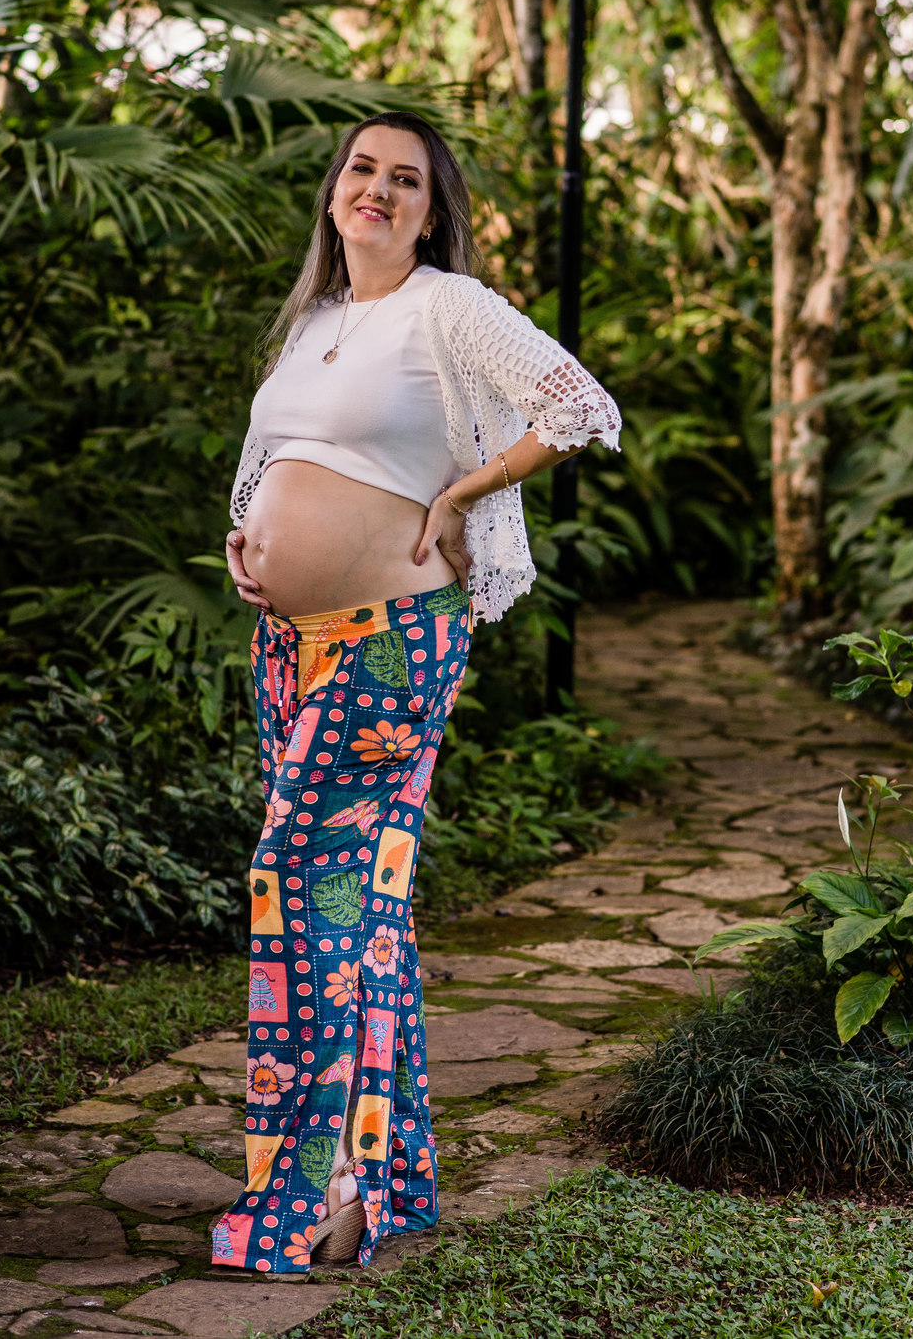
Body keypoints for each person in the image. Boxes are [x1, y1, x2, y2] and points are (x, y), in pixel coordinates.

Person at [209, 112, 620, 1274]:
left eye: (404, 180)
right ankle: (387, 1180)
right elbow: (286, 464)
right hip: (293, 644)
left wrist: (461, 497)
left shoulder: (449, 305)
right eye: (361, 171)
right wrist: (252, 542)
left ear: (431, 209)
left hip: (391, 641)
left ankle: (301, 1204)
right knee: (363, 907)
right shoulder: (318, 321)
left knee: (300, 891)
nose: (376, 191)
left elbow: (580, 403)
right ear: (335, 191)